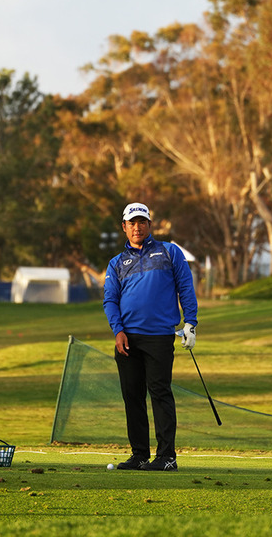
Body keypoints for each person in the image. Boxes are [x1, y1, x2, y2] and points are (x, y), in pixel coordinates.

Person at [103, 202, 198, 472]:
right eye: (132, 223)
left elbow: (185, 287)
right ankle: (140, 455)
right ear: (124, 227)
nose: (137, 227)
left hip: (158, 337)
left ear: (149, 225)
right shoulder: (117, 263)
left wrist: (190, 322)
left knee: (159, 393)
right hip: (128, 339)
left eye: (142, 221)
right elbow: (110, 300)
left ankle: (167, 456)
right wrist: (118, 331)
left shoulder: (169, 252)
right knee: (132, 397)